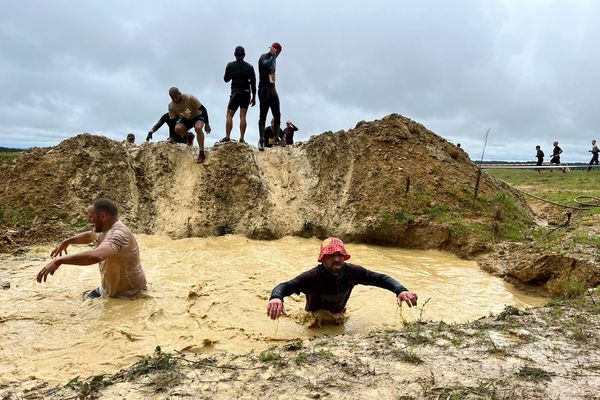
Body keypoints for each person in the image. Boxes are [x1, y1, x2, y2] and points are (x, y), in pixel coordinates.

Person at [266, 237, 418, 320]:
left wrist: (400, 290)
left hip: (339, 317)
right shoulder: (311, 277)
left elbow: (380, 278)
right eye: (331, 255)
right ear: (323, 259)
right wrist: (276, 297)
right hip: (312, 319)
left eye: (340, 255)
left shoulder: (352, 272)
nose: (337, 259)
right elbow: (285, 286)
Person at [36, 198, 147, 299]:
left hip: (129, 296)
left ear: (103, 216)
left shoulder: (118, 233)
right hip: (107, 291)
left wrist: (59, 261)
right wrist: (68, 241)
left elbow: (97, 256)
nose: (89, 220)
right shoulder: (104, 228)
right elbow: (90, 235)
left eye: (91, 217)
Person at [167, 87, 212, 163]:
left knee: (198, 128)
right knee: (177, 128)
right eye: (173, 97)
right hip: (187, 118)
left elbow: (204, 109)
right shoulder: (171, 106)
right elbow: (172, 122)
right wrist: (171, 137)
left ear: (180, 93)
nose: (175, 98)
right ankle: (189, 135)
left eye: (176, 96)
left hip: (198, 116)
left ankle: (201, 153)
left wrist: (207, 124)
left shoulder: (189, 98)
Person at [222, 46, 256, 144]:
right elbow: (253, 83)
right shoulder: (249, 67)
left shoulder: (230, 65)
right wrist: (254, 97)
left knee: (229, 115)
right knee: (243, 116)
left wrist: (232, 74)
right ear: (244, 55)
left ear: (235, 55)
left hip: (235, 93)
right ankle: (241, 138)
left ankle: (228, 137)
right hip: (246, 93)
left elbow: (226, 79)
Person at [257, 42, 282, 151]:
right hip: (263, 89)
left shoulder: (274, 60)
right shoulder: (264, 57)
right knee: (263, 115)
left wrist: (274, 88)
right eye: (278, 53)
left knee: (277, 114)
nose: (278, 55)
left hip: (272, 89)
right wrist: (272, 55)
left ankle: (276, 138)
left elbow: (272, 75)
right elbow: (266, 64)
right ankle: (262, 140)